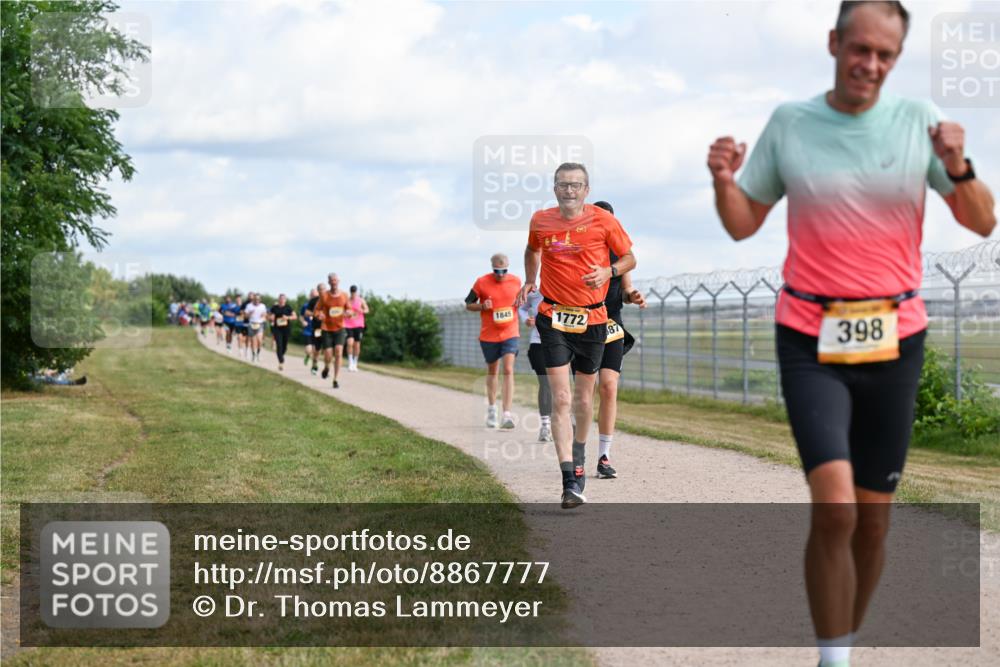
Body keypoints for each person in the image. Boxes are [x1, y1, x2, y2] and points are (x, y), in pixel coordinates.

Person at [707, 3, 995, 665]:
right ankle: (833, 658)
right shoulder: (791, 123)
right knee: (834, 508)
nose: (870, 64)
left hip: (895, 336)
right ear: (834, 42)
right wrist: (723, 181)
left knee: (872, 522)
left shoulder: (919, 122)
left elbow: (982, 220)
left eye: (885, 55)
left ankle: (841, 632)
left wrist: (956, 162)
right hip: (810, 333)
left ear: (896, 59)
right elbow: (743, 222)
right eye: (859, 48)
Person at [516, 162, 635, 509]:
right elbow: (532, 249)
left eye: (576, 185)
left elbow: (630, 258)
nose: (569, 190)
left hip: (593, 320)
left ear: (586, 190)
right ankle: (569, 478)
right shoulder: (541, 220)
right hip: (553, 316)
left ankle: (580, 457)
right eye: (563, 185)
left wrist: (608, 271)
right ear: (555, 189)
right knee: (562, 398)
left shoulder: (604, 221)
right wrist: (528, 280)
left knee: (584, 401)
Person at [591, 200, 647, 480]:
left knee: (609, 387)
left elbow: (626, 290)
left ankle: (603, 456)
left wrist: (632, 296)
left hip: (612, 324)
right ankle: (575, 451)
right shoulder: (580, 251)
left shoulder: (620, 254)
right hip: (583, 326)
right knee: (580, 393)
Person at [466, 254, 523, 430]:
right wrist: (482, 306)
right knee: (493, 370)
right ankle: (492, 409)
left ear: (508, 267)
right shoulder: (481, 282)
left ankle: (507, 414)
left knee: (508, 368)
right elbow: (468, 304)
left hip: (510, 332)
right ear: (492, 268)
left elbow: (522, 303)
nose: (500, 274)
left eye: (504, 270)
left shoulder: (516, 281)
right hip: (489, 335)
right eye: (497, 271)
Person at [517, 289, 552, 442]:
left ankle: (564, 424)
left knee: (561, 386)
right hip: (538, 344)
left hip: (562, 346)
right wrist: (526, 319)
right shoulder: (535, 294)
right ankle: (545, 427)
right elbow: (521, 307)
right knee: (546, 383)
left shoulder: (564, 290)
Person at [314, 273, 352, 388]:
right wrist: (319, 315)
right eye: (332, 280)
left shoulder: (344, 295)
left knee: (339, 352)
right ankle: (326, 367)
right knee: (328, 356)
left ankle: (336, 379)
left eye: (335, 280)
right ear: (329, 282)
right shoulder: (324, 296)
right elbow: (316, 311)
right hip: (326, 328)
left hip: (340, 328)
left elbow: (349, 309)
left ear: (338, 281)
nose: (334, 282)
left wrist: (349, 313)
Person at [344, 285, 369, 372]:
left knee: (357, 344)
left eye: (354, 292)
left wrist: (362, 310)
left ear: (356, 292)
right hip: (348, 324)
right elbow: (343, 311)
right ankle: (350, 362)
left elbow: (367, 310)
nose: (353, 293)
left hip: (359, 325)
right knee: (349, 342)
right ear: (350, 292)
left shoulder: (361, 300)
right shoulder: (347, 300)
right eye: (352, 292)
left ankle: (355, 363)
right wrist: (346, 313)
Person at [269, 293, 297, 370]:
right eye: (280, 298)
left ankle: (281, 356)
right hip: (277, 329)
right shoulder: (274, 307)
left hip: (286, 329)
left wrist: (287, 317)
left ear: (285, 300)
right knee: (279, 345)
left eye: (283, 299)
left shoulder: (288, 307)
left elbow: (295, 316)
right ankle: (281, 361)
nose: (281, 300)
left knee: (284, 346)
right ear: (278, 300)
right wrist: (271, 317)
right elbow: (269, 316)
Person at [302, 287, 321, 374]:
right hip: (308, 330)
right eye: (312, 295)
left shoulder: (321, 305)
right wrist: (303, 321)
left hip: (317, 330)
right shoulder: (306, 306)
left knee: (316, 350)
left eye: (315, 295)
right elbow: (301, 315)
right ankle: (308, 356)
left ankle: (314, 365)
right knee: (309, 350)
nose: (313, 296)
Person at [245, 292, 268, 362]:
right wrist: (249, 313)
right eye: (255, 299)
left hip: (260, 324)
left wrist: (264, 315)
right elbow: (245, 316)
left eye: (258, 299)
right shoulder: (249, 306)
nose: (257, 300)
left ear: (260, 299)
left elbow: (265, 314)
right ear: (253, 299)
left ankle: (258, 354)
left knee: (259, 341)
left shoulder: (263, 306)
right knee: (253, 341)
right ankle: (253, 355)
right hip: (251, 324)